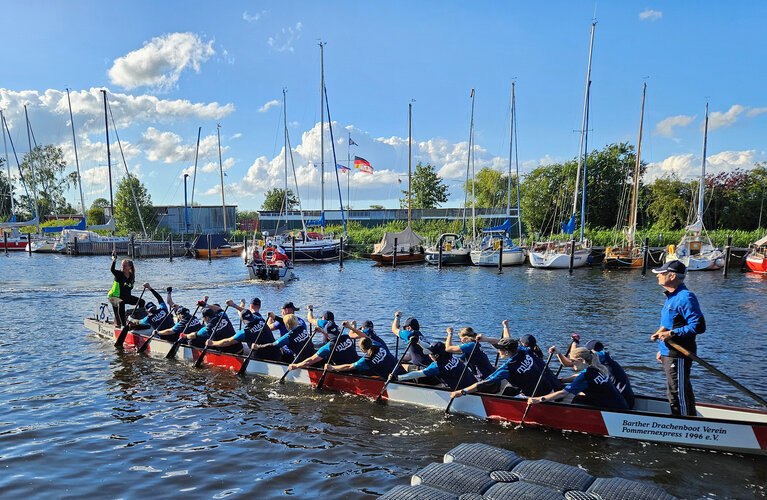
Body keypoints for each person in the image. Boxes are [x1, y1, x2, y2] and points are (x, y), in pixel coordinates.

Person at [650, 259, 705, 416]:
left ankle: (685, 426)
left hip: (679, 354)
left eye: (661, 273)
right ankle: (686, 418)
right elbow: (671, 323)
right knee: (676, 390)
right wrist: (661, 347)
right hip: (669, 352)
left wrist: (671, 334)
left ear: (672, 276)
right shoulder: (671, 297)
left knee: (677, 393)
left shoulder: (685, 297)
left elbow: (699, 326)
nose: (657, 276)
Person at [451, 338, 558, 399]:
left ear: (506, 352)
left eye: (499, 349)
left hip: (534, 397)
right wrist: (485, 339)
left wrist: (462, 392)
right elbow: (501, 341)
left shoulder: (507, 367)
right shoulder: (522, 350)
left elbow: (484, 383)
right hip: (549, 389)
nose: (497, 351)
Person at [528, 347, 628, 410]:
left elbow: (563, 393)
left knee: (570, 399)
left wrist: (539, 399)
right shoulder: (596, 368)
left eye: (573, 361)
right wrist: (558, 353)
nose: (571, 364)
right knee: (578, 396)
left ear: (581, 360)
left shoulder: (585, 376)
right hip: (621, 404)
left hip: (614, 410)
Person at [551, 339, 635, 409]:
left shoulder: (598, 358)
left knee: (578, 398)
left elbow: (569, 363)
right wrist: (565, 380)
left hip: (620, 400)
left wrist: (571, 345)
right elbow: (580, 375)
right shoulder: (600, 361)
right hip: (627, 398)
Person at [205, 298, 281, 361]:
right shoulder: (260, 318)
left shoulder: (244, 333)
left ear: (243, 320)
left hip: (261, 358)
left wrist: (212, 343)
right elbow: (244, 311)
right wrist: (235, 305)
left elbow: (228, 342)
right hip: (277, 353)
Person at [287, 311, 359, 370]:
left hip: (344, 371)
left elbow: (311, 361)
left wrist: (296, 366)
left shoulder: (328, 347)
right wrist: (321, 331)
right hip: (356, 366)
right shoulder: (346, 335)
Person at [397, 341, 477, 390]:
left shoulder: (436, 366)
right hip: (473, 383)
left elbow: (418, 373)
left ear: (436, 356)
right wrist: (418, 342)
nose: (429, 355)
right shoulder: (448, 352)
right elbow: (429, 347)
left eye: (431, 354)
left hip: (461, 389)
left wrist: (398, 378)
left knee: (421, 379)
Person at [328, 337, 405, 378]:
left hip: (393, 378)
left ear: (362, 349)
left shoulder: (366, 360)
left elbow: (349, 367)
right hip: (400, 370)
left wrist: (332, 367)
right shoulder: (379, 345)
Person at [107, 254, 144, 327]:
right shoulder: (119, 274)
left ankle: (139, 321)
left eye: (124, 266)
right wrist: (114, 260)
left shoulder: (131, 276)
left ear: (129, 267)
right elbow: (112, 270)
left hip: (126, 297)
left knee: (142, 302)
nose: (122, 267)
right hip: (114, 296)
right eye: (122, 265)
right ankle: (124, 325)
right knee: (121, 303)